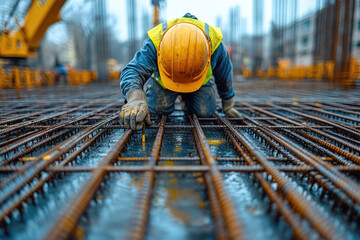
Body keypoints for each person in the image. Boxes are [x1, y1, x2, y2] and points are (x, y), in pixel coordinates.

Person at [120, 13, 241, 130]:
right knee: (158, 111)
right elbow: (133, 70)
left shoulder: (215, 45)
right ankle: (180, 99)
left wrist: (228, 103)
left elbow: (224, 76)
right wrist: (135, 98)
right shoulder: (156, 42)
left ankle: (188, 99)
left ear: (208, 57)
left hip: (199, 85)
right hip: (165, 84)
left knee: (205, 112)